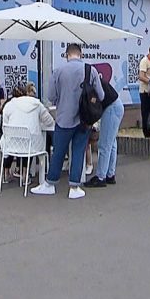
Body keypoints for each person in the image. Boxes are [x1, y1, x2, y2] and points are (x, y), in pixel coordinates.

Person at [32, 43, 103, 199]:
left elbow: (51, 96)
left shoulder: (58, 71)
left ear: (66, 55)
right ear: (81, 54)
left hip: (63, 118)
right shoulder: (91, 70)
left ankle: (50, 184)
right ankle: (74, 187)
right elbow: (101, 95)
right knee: (78, 152)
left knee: (58, 151)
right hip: (84, 120)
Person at [0, 82, 55, 184]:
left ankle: (6, 173)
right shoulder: (37, 104)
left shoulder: (9, 105)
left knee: (15, 140)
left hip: (11, 143)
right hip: (32, 143)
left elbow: (5, 125)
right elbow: (50, 121)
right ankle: (25, 174)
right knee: (29, 142)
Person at [86, 68, 124, 187]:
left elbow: (95, 103)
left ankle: (101, 176)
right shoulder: (98, 81)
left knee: (104, 144)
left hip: (111, 109)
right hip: (116, 106)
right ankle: (110, 174)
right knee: (111, 143)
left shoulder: (94, 86)